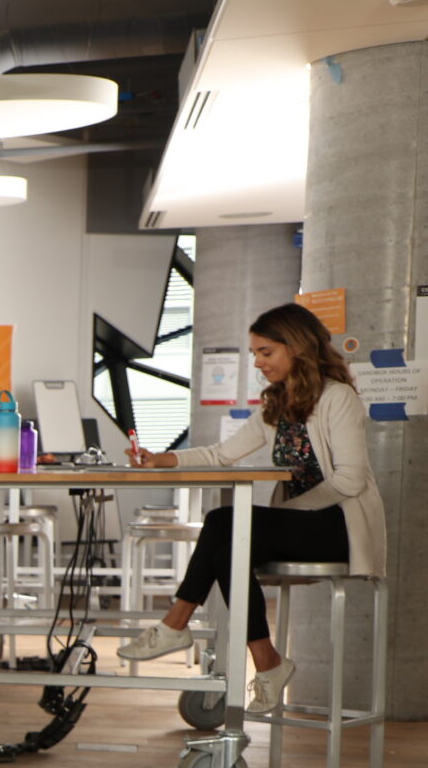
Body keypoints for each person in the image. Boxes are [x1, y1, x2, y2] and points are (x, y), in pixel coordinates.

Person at [120, 300, 385, 713]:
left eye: (266, 352)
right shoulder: (277, 404)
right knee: (229, 543)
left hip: (339, 530)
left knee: (226, 521)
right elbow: (223, 455)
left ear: (296, 347)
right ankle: (267, 662)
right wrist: (163, 458)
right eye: (255, 354)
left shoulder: (338, 398)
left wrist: (292, 511)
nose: (259, 363)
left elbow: (350, 479)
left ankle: (176, 623)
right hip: (300, 526)